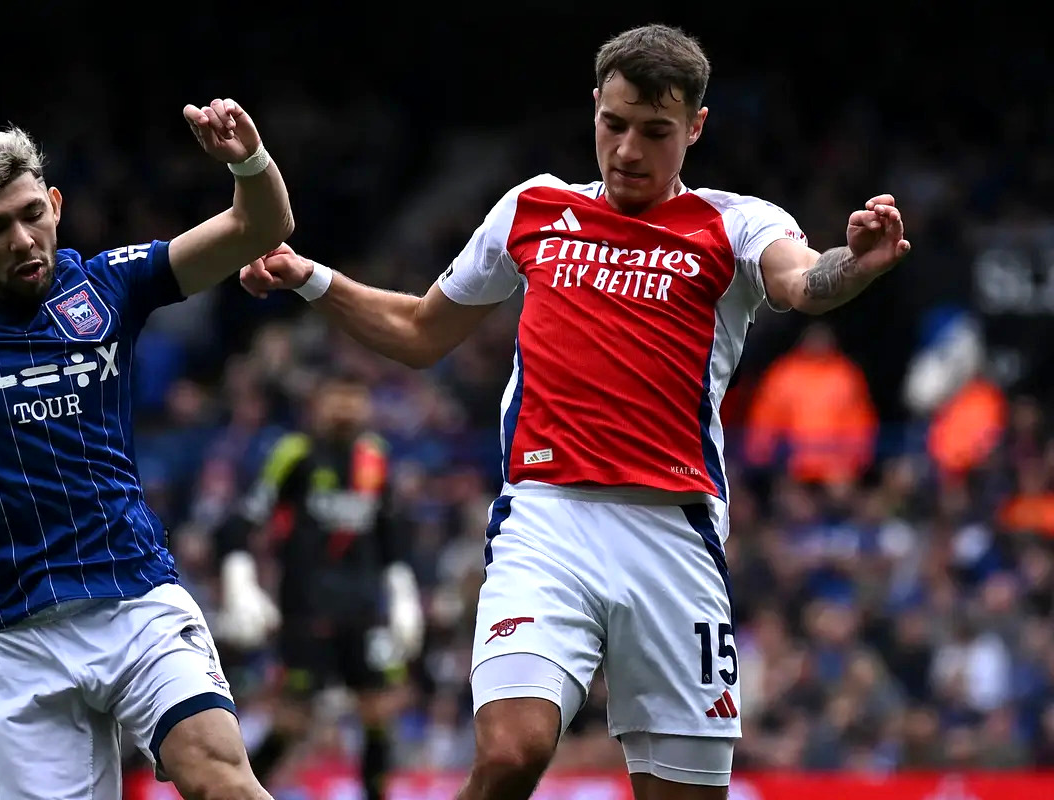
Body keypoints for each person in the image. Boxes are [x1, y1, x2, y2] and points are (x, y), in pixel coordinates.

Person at [241, 23, 911, 800]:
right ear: (594, 106)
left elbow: (804, 281)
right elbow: (422, 332)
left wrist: (851, 266)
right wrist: (309, 277)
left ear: (695, 127)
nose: (628, 149)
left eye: (655, 132)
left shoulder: (735, 223)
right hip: (546, 521)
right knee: (509, 753)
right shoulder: (533, 207)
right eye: (613, 124)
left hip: (674, 536)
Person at [0, 98, 293, 800]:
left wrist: (247, 160)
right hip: (11, 632)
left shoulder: (111, 284)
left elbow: (260, 226)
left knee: (219, 773)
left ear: (55, 204)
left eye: (32, 213)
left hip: (133, 593)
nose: (24, 239)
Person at [203, 371, 423, 800]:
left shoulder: (375, 458)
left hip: (363, 610)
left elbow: (390, 531)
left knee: (378, 712)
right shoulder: (294, 455)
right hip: (307, 607)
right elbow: (243, 519)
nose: (347, 408)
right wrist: (240, 578)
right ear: (317, 404)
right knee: (293, 721)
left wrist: (403, 594)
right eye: (337, 397)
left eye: (355, 398)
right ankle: (238, 792)